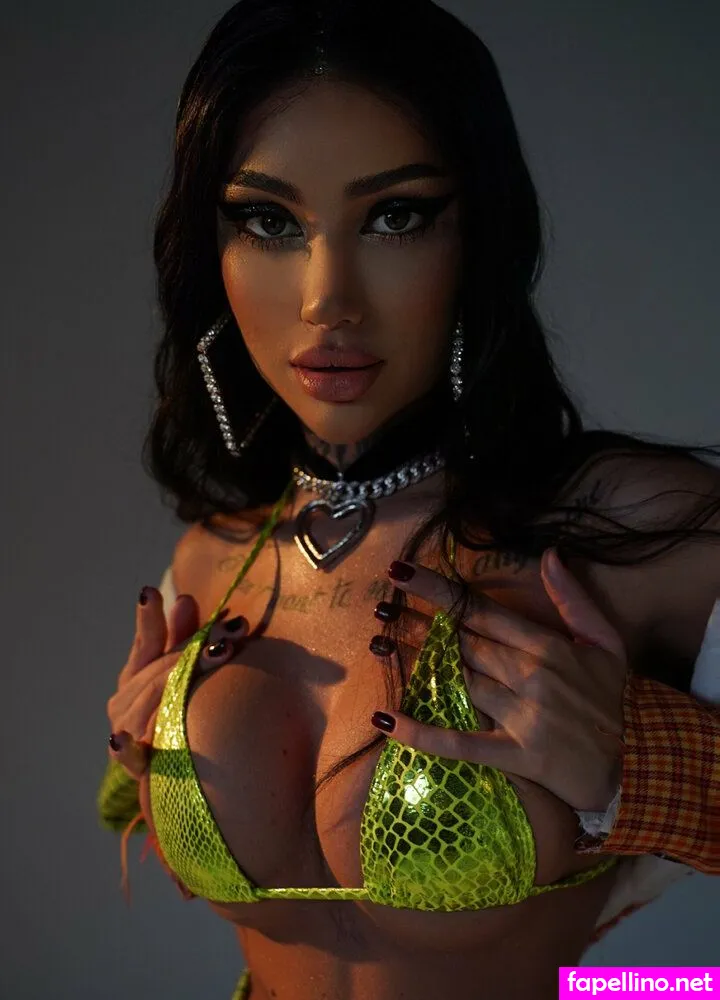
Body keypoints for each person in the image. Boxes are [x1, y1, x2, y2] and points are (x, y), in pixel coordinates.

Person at [98, 1, 720, 997]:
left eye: (395, 216)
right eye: (269, 221)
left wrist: (636, 767)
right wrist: (147, 764)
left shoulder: (638, 533)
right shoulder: (211, 561)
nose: (326, 300)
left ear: (478, 235)